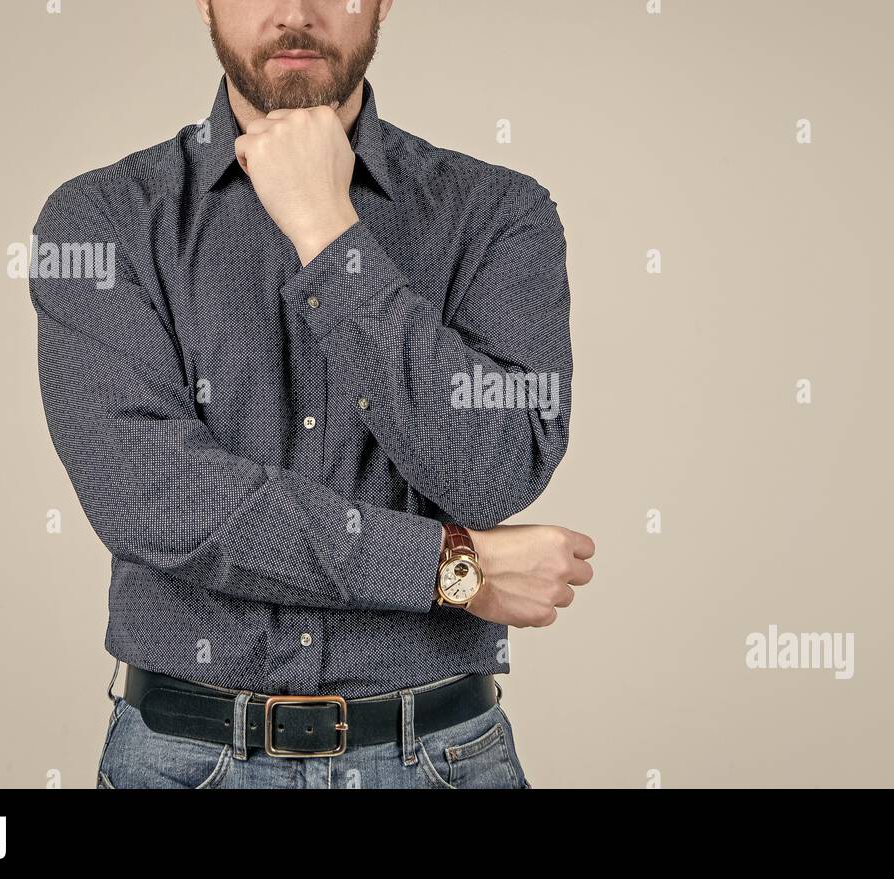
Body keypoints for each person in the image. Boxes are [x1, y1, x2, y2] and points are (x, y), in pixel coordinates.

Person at [29, 0, 595, 789]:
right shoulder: (98, 222)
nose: (295, 12)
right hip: (182, 762)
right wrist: (445, 565)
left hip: (439, 761)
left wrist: (328, 229)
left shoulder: (500, 214)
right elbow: (155, 498)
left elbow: (492, 474)